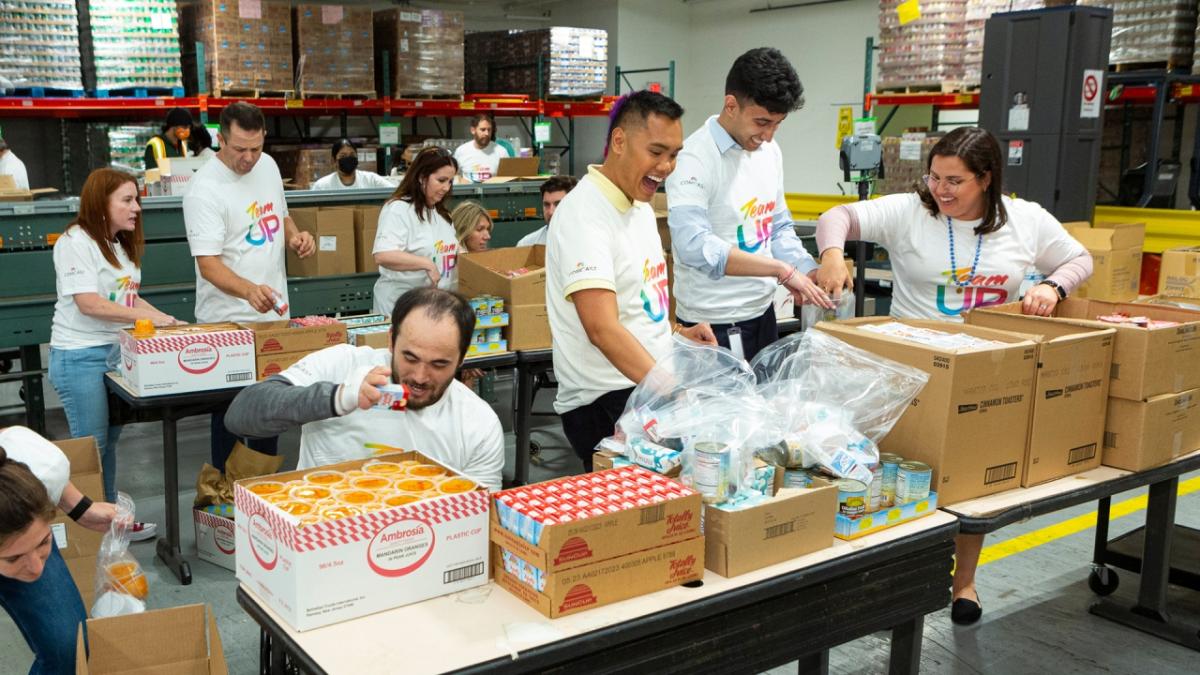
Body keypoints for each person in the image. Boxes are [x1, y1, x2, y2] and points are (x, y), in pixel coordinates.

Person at [814, 126, 1094, 626]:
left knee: (969, 483)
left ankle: (964, 581)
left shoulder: (1025, 219)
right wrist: (833, 253)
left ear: (986, 179)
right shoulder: (910, 212)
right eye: (935, 177)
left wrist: (1053, 286)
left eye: (955, 180)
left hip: (986, 371)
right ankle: (890, 581)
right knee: (897, 472)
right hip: (910, 368)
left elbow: (1079, 257)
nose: (941, 189)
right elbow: (838, 215)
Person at [547, 90, 717, 471]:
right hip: (606, 401)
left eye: (674, 154)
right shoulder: (585, 215)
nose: (667, 166)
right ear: (619, 141)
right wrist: (671, 391)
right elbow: (602, 328)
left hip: (643, 388)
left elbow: (636, 300)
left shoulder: (639, 204)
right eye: (656, 152)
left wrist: (674, 332)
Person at [225, 289, 504, 490]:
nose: (420, 376)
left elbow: (481, 520)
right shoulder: (343, 363)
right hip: (323, 537)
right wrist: (336, 397)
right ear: (391, 340)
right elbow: (241, 414)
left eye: (439, 364)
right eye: (410, 358)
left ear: (463, 357)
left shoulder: (478, 422)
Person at [666, 48, 833, 361]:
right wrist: (781, 270)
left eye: (777, 124)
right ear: (731, 105)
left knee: (764, 405)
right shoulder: (694, 158)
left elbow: (778, 226)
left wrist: (807, 270)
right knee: (722, 410)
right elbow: (693, 244)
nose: (768, 136)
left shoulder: (770, 153)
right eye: (762, 122)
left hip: (762, 314)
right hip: (713, 324)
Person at [183, 101, 316, 473]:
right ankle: (226, 506)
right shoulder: (204, 189)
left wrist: (295, 237)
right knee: (231, 416)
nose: (248, 158)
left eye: (256, 148)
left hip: (272, 317)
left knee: (268, 413)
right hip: (228, 322)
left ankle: (259, 493)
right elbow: (208, 264)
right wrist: (248, 291)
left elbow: (281, 214)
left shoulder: (268, 166)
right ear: (220, 139)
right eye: (239, 149)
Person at [48, 168, 180, 539]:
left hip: (113, 353)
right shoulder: (76, 241)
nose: (136, 207)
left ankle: (110, 525)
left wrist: (169, 321)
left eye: (136, 199)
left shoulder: (118, 243)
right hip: (80, 357)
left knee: (109, 444)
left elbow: (127, 298)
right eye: (126, 199)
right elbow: (89, 303)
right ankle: (94, 536)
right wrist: (149, 318)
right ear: (100, 203)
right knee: (92, 447)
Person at [0, 425, 120, 674]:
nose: (36, 568)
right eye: (14, 558)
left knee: (69, 647)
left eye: (43, 541)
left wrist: (79, 507)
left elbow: (42, 470)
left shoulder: (36, 466)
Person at [372, 147, 459, 315]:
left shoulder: (442, 213)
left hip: (435, 305)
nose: (446, 187)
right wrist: (426, 264)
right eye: (441, 180)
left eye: (450, 181)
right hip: (401, 306)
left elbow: (447, 249)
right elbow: (383, 254)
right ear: (421, 177)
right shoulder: (398, 209)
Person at [517, 175, 577, 247]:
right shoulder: (527, 245)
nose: (550, 212)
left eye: (558, 204)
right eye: (546, 205)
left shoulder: (590, 241)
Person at [311, 139, 394, 191]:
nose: (348, 158)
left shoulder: (371, 179)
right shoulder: (322, 185)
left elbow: (394, 192)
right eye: (343, 156)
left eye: (352, 155)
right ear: (334, 161)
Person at [453, 113, 511, 182]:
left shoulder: (501, 152)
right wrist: (460, 181)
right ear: (473, 130)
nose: (487, 133)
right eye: (483, 130)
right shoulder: (461, 151)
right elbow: (453, 175)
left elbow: (508, 178)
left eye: (489, 130)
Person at [143, 107, 193, 171]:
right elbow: (152, 177)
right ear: (173, 126)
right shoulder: (155, 144)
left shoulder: (183, 145)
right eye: (184, 127)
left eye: (188, 127)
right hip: (162, 181)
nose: (187, 130)